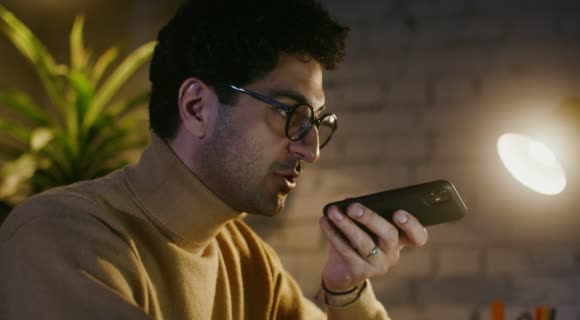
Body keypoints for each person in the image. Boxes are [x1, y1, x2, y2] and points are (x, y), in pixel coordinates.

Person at [0, 0, 428, 319]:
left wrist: (345, 290)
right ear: (196, 108)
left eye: (316, 121)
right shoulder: (58, 236)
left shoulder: (249, 261)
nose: (310, 149)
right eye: (288, 113)